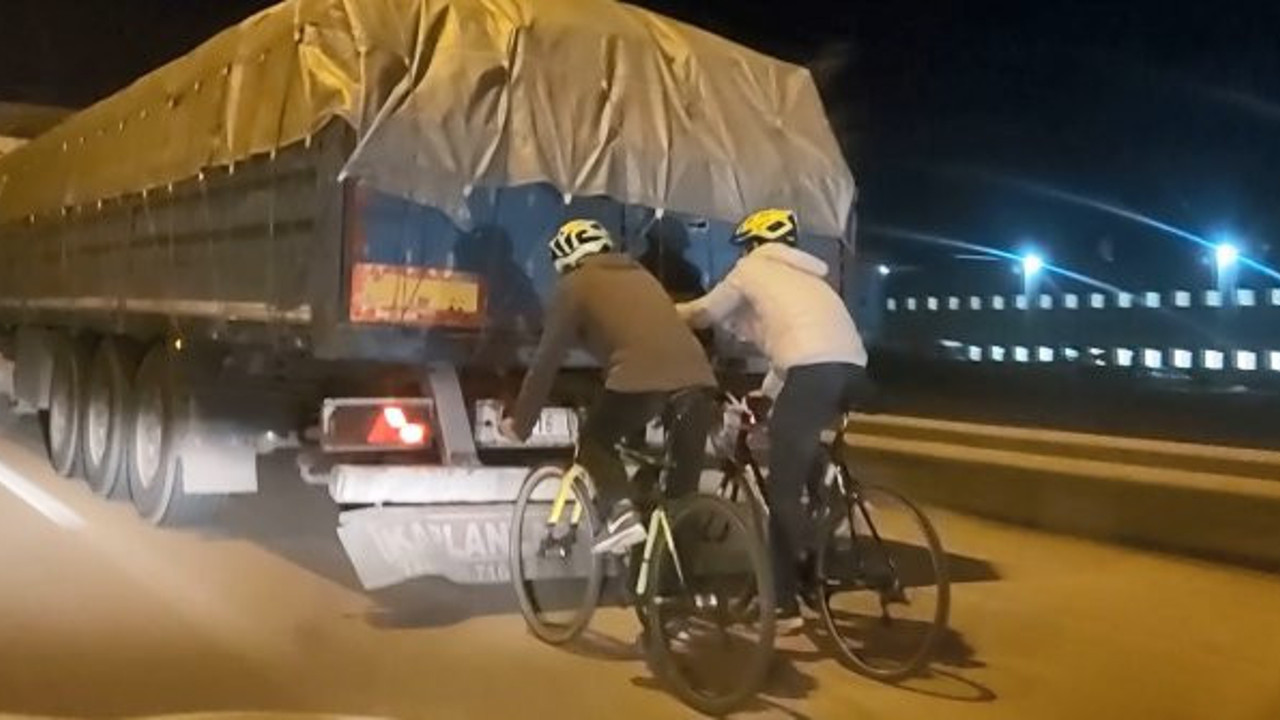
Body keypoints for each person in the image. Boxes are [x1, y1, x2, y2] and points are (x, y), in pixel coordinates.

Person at [676, 208, 869, 632]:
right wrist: (765, 396)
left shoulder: (753, 269)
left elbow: (705, 313)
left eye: (746, 245)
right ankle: (826, 508)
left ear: (757, 244)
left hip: (813, 373)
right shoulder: (811, 279)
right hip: (853, 371)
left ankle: (788, 596)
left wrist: (665, 313)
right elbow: (795, 354)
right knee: (799, 451)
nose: (744, 252)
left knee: (782, 492)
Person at [499, 218, 716, 555]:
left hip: (641, 380)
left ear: (565, 261)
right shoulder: (643, 276)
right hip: (700, 380)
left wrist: (521, 423)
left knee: (594, 440)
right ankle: (679, 585)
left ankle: (620, 515)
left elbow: (546, 361)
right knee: (680, 496)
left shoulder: (575, 285)